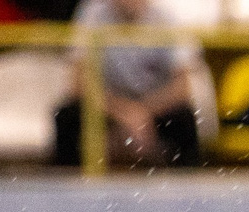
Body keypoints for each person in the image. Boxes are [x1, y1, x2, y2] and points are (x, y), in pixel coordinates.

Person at [56, 0, 202, 169]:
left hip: (154, 108)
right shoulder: (92, 13)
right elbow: (78, 83)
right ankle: (67, 184)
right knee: (66, 117)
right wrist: (125, 113)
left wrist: (143, 113)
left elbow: (183, 87)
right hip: (108, 107)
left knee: (184, 120)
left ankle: (186, 185)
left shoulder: (168, 16)